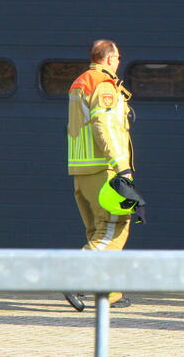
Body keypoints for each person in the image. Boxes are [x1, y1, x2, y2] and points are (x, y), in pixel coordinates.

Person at [65, 39, 134, 311]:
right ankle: (72, 275)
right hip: (103, 170)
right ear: (108, 59)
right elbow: (103, 127)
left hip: (82, 171)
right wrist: (122, 166)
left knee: (98, 231)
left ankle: (109, 293)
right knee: (115, 228)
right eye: (118, 57)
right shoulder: (103, 84)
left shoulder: (79, 82)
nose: (119, 62)